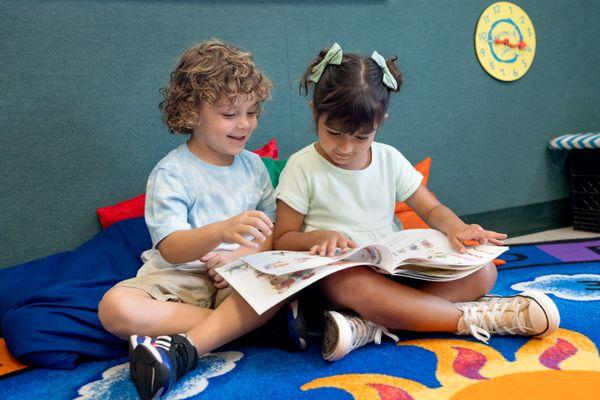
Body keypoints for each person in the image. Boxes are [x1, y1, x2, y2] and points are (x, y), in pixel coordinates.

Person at [273, 42, 560, 362]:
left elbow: (432, 209)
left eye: (361, 137)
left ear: (380, 121)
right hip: (340, 280)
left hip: (394, 269)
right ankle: (473, 319)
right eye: (334, 133)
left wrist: (458, 228)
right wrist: (316, 238)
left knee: (485, 273)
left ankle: (369, 325)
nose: (346, 148)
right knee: (352, 284)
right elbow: (282, 239)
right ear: (315, 112)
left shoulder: (389, 159)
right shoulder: (302, 166)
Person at [98, 39, 306, 400]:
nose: (244, 125)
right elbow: (173, 248)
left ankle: (201, 339)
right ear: (191, 112)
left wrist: (241, 254)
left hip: (239, 276)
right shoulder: (172, 173)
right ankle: (255, 330)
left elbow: (270, 232)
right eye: (230, 114)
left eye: (252, 112)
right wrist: (220, 232)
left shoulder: (254, 166)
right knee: (114, 309)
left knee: (282, 281)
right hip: (178, 279)